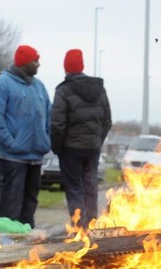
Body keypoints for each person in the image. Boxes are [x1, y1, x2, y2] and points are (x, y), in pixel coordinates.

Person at [0, 45, 51, 228]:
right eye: (34, 60)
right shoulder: (1, 84)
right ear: (23, 62)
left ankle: (28, 245)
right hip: (13, 158)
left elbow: (49, 116)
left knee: (30, 203)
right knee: (11, 205)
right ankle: (7, 242)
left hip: (36, 157)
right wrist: (10, 144)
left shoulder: (39, 86)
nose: (38, 64)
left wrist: (46, 141)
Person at [50, 49, 112, 228]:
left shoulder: (63, 90)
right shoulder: (99, 90)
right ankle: (92, 227)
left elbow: (57, 124)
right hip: (92, 149)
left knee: (75, 190)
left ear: (66, 68)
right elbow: (107, 121)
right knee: (90, 188)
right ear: (82, 66)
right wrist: (96, 142)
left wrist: (57, 148)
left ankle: (79, 230)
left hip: (71, 150)